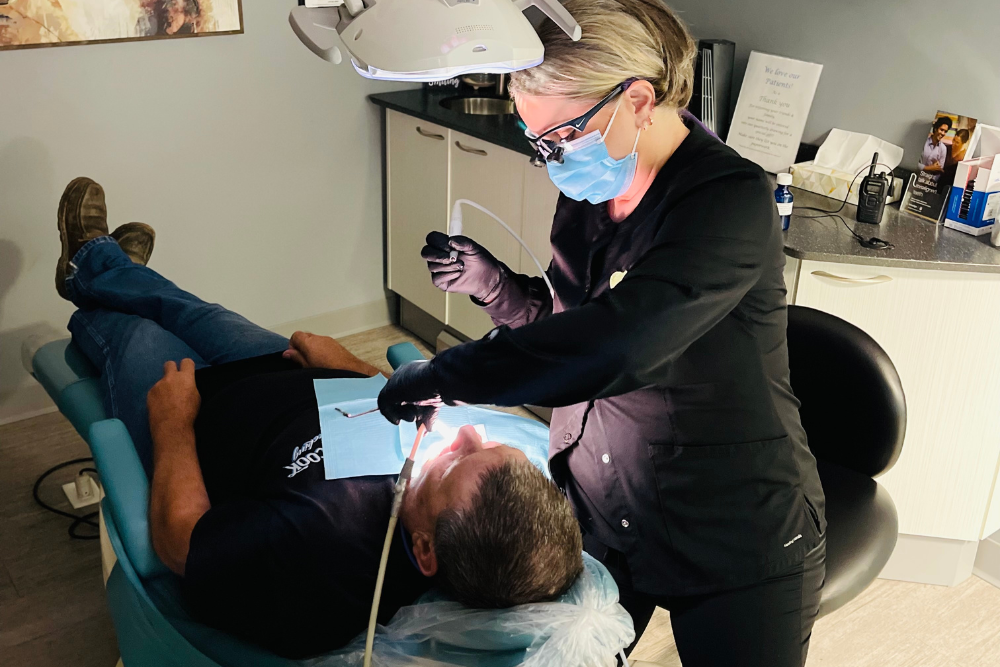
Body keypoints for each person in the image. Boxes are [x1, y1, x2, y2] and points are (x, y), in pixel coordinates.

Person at [377, 1, 826, 666]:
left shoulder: (727, 200)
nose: (550, 160)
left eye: (559, 137)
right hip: (602, 508)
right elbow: (572, 329)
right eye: (538, 141)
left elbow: (618, 345)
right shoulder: (591, 192)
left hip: (732, 524)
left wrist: (448, 375)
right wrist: (495, 286)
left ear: (637, 101)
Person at [53, 177, 584, 659]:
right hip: (286, 372)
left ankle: (94, 269)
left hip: (196, 416)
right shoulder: (436, 498)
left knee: (137, 332)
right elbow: (398, 410)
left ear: (425, 548)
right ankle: (113, 270)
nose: (466, 433)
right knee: (194, 312)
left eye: (456, 462)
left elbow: (182, 543)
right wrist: (349, 366)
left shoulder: (320, 556)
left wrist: (172, 422)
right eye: (487, 446)